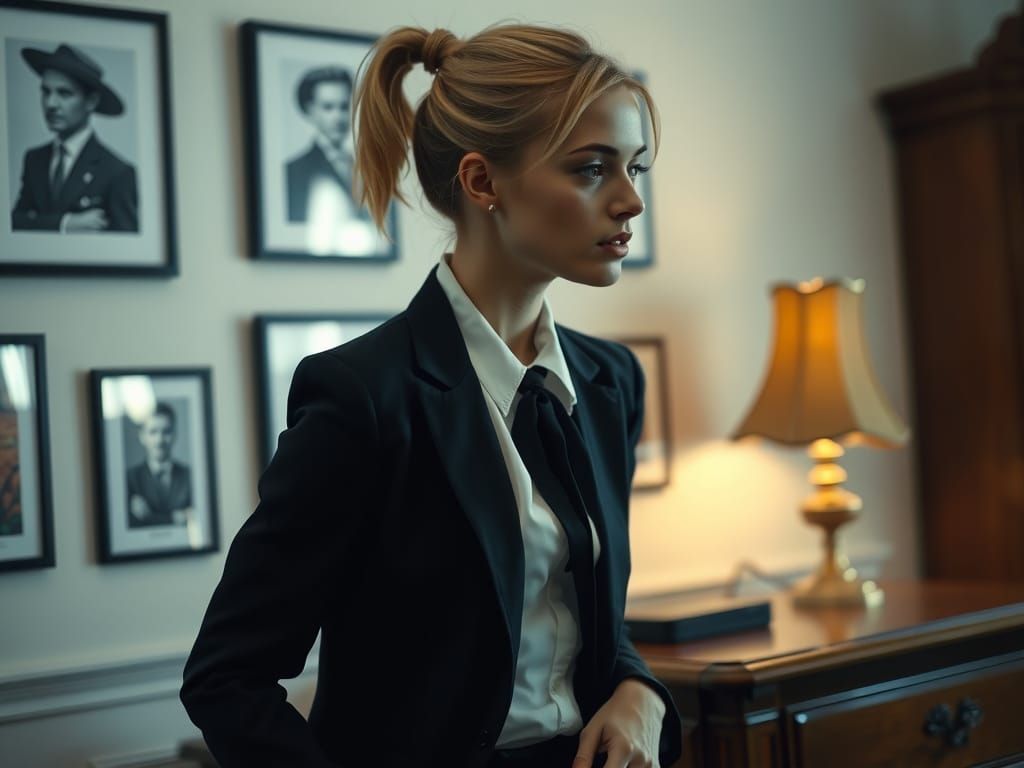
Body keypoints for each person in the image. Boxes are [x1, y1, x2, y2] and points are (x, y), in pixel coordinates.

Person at [181, 23, 683, 768]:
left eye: (635, 167)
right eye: (591, 169)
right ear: (482, 183)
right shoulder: (362, 398)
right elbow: (227, 678)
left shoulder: (612, 381)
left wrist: (640, 691)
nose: (630, 201)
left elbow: (581, 615)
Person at [10, 43, 138, 233]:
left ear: (91, 101)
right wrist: (65, 223)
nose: (51, 103)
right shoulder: (34, 159)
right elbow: (13, 224)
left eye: (64, 93)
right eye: (46, 91)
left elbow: (127, 245)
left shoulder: (117, 172)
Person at [285, 65, 370, 226]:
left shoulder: (367, 169)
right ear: (310, 110)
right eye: (328, 107)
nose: (338, 117)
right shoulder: (294, 170)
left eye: (344, 107)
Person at [126, 403, 192, 528]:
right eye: (153, 432)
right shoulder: (130, 479)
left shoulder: (190, 477)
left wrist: (149, 517)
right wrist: (174, 518)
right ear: (142, 436)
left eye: (166, 432)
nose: (160, 440)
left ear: (175, 434)